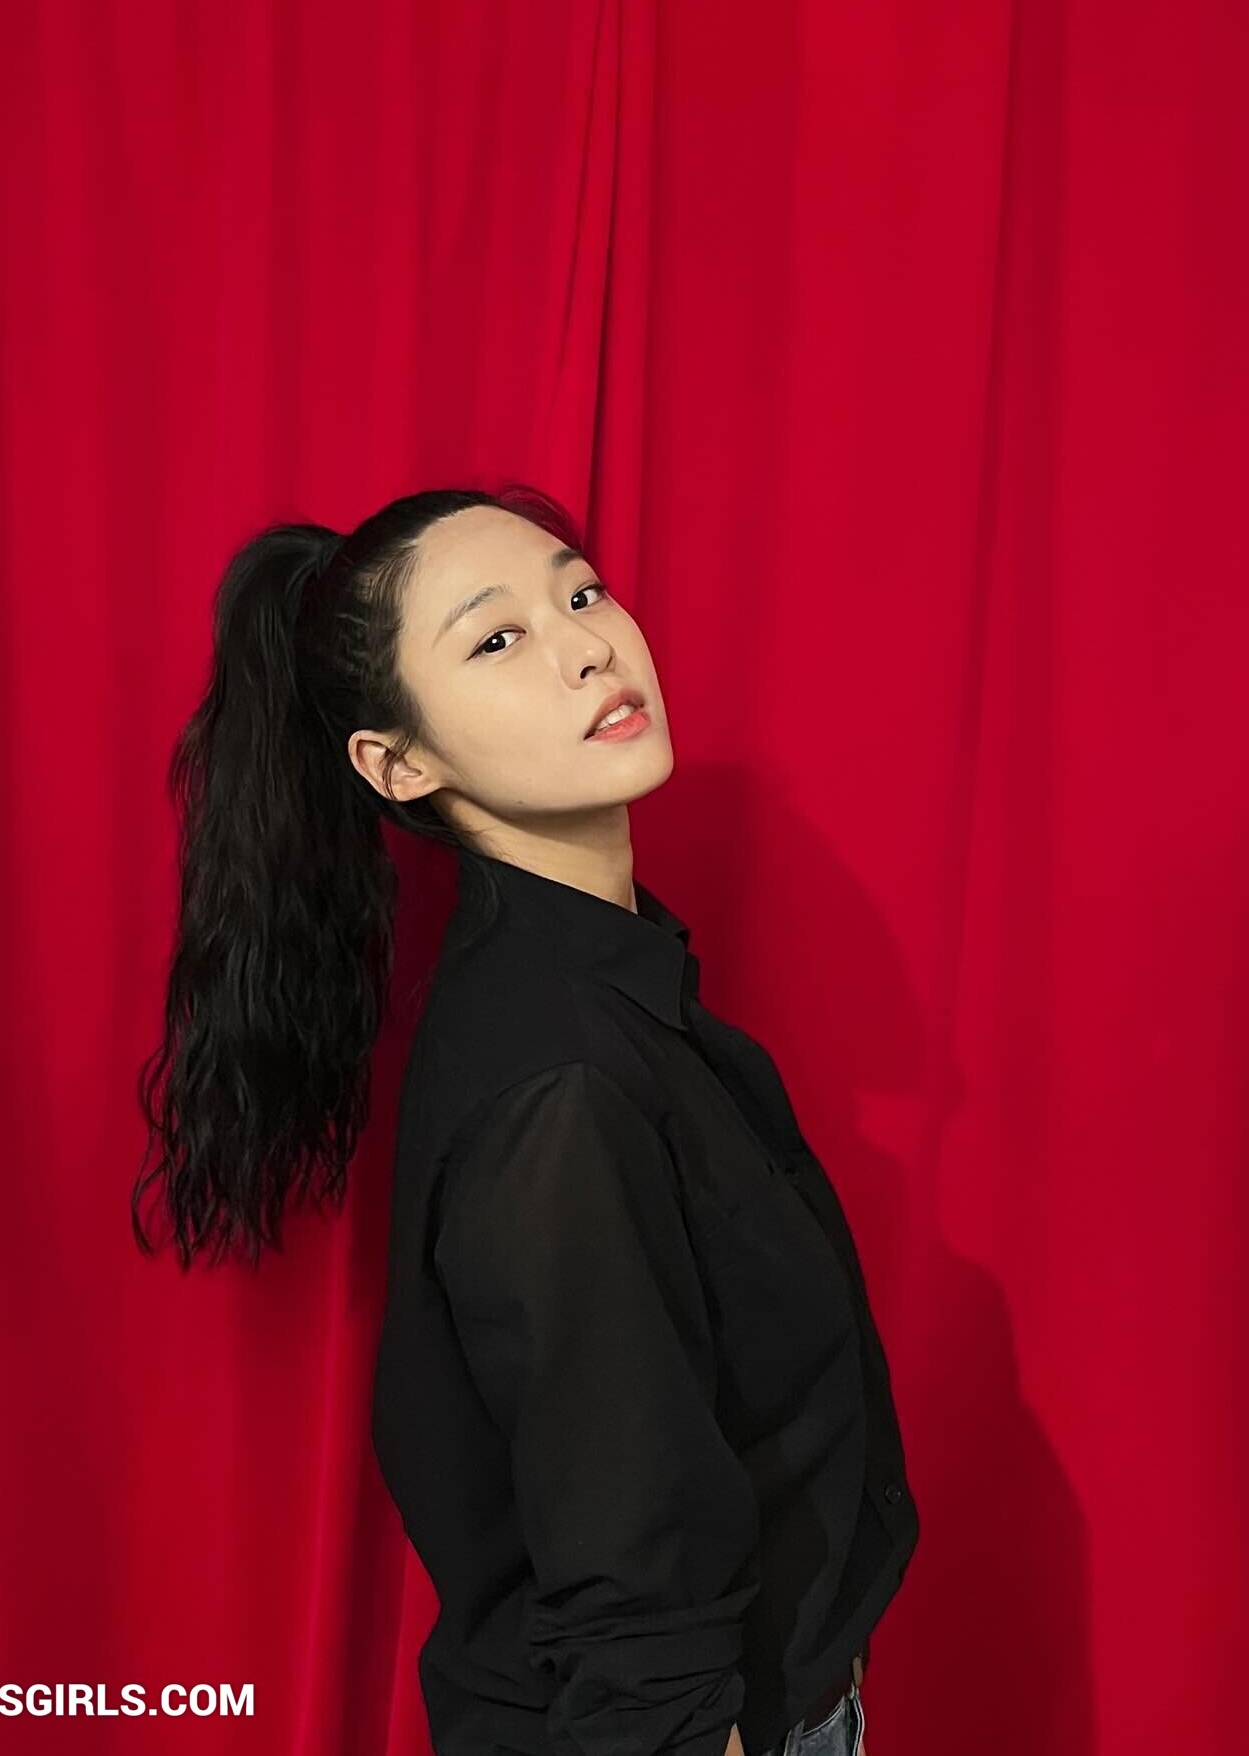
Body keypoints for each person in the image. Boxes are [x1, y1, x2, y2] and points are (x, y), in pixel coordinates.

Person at [134, 483, 918, 1756]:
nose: (588, 646)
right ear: (400, 763)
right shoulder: (560, 1084)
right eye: (496, 638)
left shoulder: (607, 990)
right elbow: (638, 1612)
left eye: (582, 592)